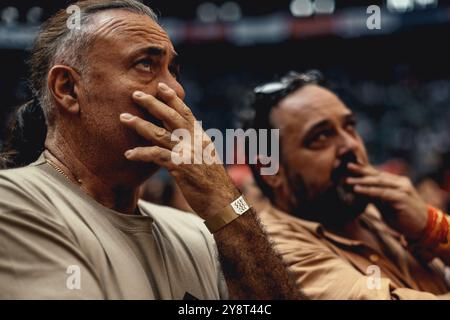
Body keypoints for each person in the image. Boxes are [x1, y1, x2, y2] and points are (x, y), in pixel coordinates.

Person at [0, 0, 299, 299]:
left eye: (173, 71)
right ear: (68, 89)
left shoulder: (198, 235)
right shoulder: (14, 202)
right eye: (145, 64)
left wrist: (226, 202)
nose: (177, 90)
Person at [244, 70, 450, 299]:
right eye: (321, 136)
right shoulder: (271, 252)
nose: (350, 144)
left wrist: (432, 227)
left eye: (350, 126)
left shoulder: (382, 212)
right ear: (270, 170)